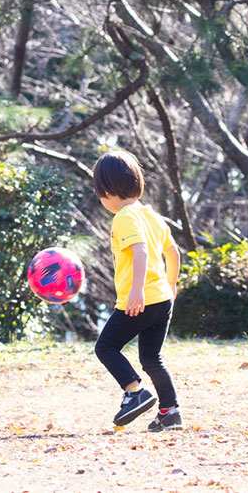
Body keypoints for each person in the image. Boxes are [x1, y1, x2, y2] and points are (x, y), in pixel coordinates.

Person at [92, 150, 183, 431]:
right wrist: (171, 284)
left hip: (140, 300)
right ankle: (170, 413)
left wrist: (136, 291)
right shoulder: (152, 216)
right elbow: (174, 252)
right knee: (151, 358)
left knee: (106, 346)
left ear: (106, 190)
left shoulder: (124, 217)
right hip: (162, 299)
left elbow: (141, 252)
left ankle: (135, 393)